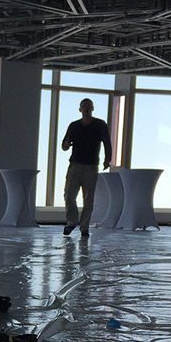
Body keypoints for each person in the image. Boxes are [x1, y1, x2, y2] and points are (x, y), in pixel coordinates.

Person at [60, 98, 112, 238]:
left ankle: (84, 227)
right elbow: (64, 144)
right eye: (84, 106)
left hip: (90, 165)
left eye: (88, 106)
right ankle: (71, 222)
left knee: (88, 198)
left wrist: (108, 158)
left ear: (92, 108)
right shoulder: (74, 126)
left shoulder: (100, 125)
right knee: (69, 195)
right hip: (75, 165)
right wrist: (66, 145)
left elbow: (107, 142)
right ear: (80, 109)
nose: (86, 108)